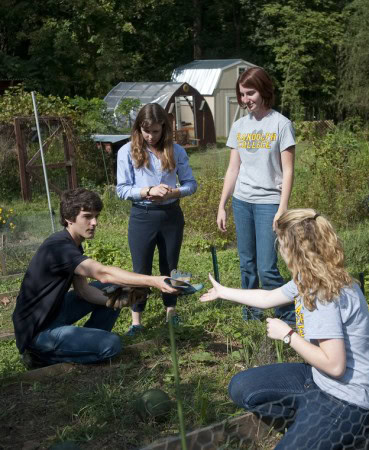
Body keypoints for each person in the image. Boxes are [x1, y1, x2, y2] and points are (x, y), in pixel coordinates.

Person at [201, 209, 369, 449]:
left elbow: (335, 365)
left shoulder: (323, 294)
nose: (279, 249)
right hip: (316, 378)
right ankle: (311, 425)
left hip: (346, 399)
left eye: (281, 243)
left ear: (294, 249)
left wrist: (288, 336)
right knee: (242, 387)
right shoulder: (309, 278)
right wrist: (222, 292)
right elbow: (268, 297)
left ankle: (343, 431)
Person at [12, 188, 178, 368]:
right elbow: (104, 273)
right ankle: (40, 357)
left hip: (53, 312)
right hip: (38, 330)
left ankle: (85, 341)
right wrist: (154, 280)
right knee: (111, 345)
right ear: (69, 218)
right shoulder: (59, 247)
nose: (94, 222)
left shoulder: (73, 243)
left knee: (116, 290)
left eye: (96, 216)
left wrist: (116, 302)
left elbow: (83, 291)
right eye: (87, 216)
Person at [217, 67, 295, 322]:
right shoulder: (239, 126)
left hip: (268, 203)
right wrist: (222, 204)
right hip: (242, 202)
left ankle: (288, 317)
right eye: (241, 94)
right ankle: (252, 316)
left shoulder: (281, 124)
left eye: (250, 93)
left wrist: (282, 208)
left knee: (267, 267)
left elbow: (288, 170)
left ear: (263, 91)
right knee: (246, 264)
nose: (245, 99)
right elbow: (233, 168)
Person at [116, 103, 197, 335]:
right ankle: (136, 321)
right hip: (142, 216)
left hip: (171, 215)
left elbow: (191, 184)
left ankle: (171, 312)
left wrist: (175, 192)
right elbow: (121, 190)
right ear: (138, 128)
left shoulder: (177, 151)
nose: (150, 136)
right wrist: (147, 191)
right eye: (145, 131)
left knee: (171, 265)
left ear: (165, 128)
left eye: (156, 131)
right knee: (140, 269)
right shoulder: (127, 151)